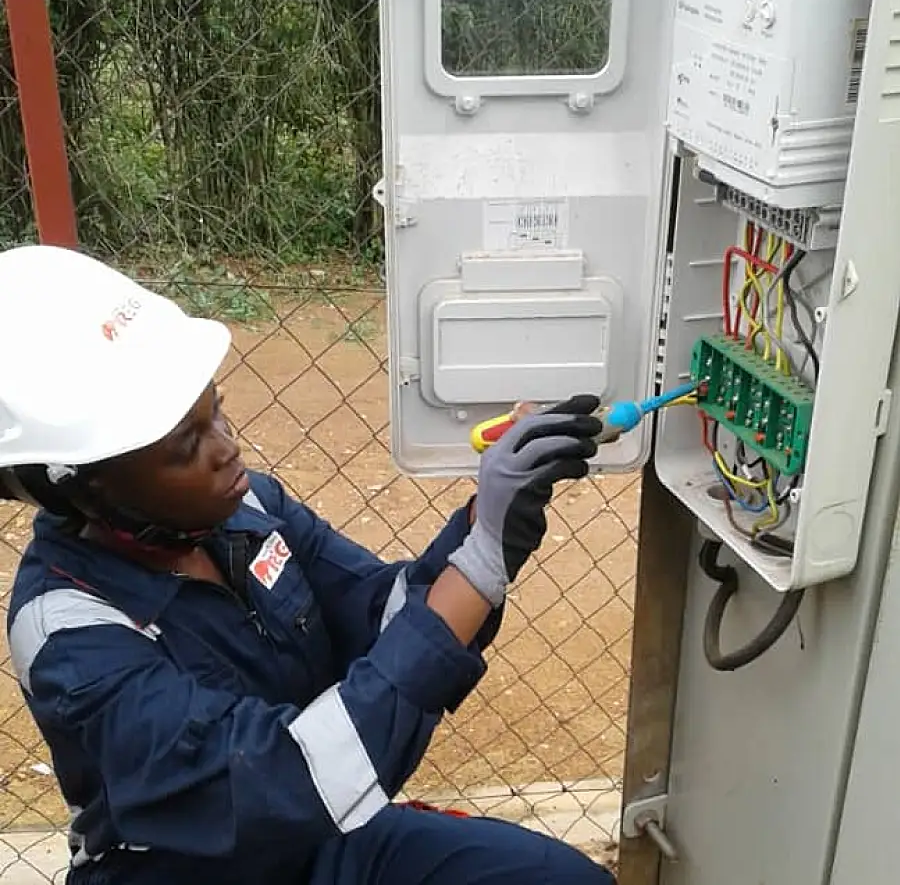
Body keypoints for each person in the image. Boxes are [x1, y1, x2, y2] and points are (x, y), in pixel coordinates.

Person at [1, 244, 617, 885]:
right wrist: (482, 559)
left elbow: (385, 615)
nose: (227, 448)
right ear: (88, 486)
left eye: (216, 413)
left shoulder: (249, 511)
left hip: (319, 839)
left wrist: (492, 521)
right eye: (188, 445)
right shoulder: (67, 629)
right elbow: (283, 782)